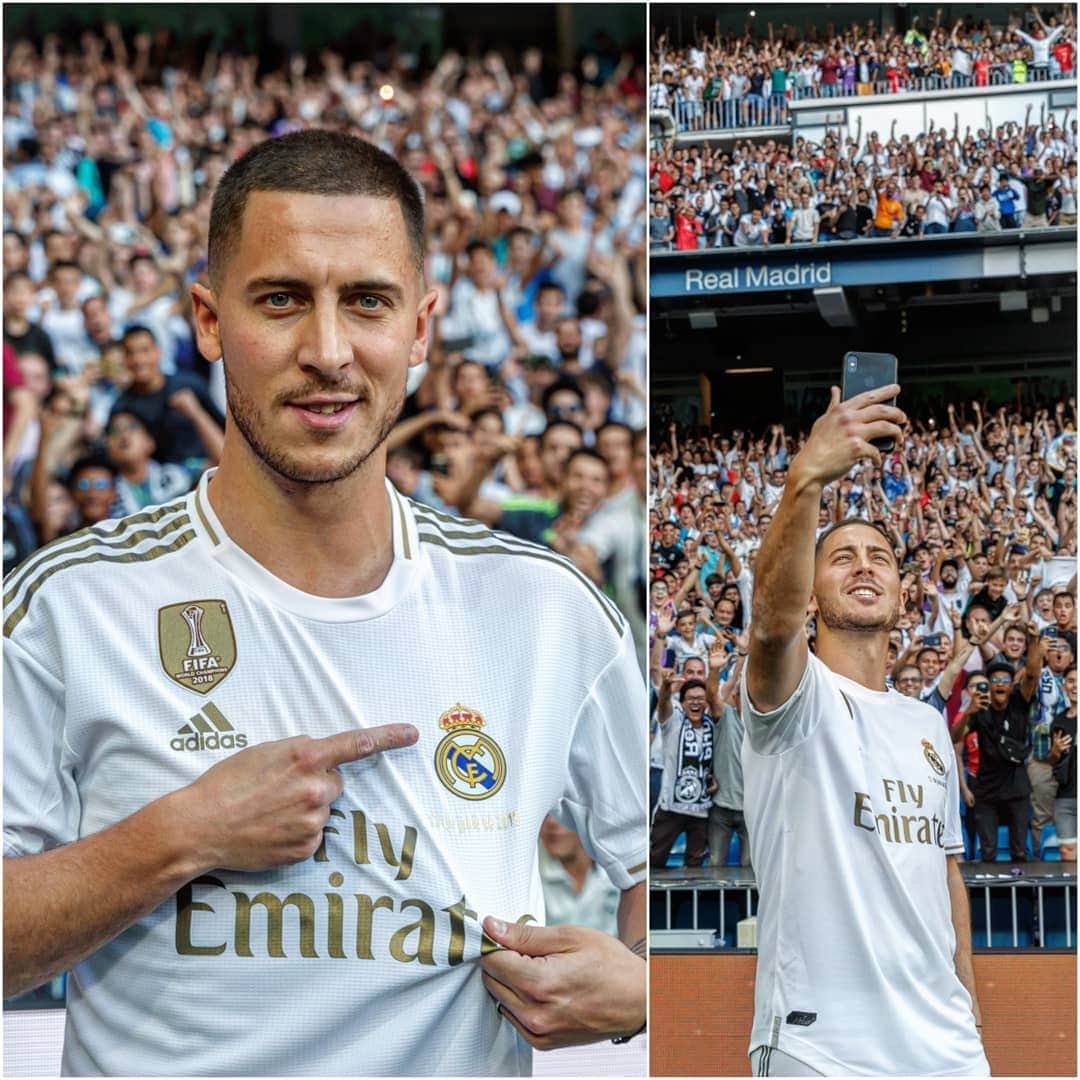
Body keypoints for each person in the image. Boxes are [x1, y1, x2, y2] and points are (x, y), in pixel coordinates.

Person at [4, 131, 646, 1076]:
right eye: (281, 300)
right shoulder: (70, 605)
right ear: (209, 321)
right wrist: (180, 834)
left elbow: (654, 873)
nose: (329, 351)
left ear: (422, 328)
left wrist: (641, 991)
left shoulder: (547, 611)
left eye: (368, 302)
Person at [741, 384, 988, 1076]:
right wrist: (806, 480)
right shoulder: (794, 696)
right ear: (813, 590)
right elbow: (772, 622)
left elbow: (944, 866)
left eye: (879, 557)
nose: (864, 566)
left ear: (903, 592)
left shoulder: (925, 725)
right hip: (824, 1047)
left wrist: (965, 986)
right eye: (841, 557)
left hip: (943, 1041)